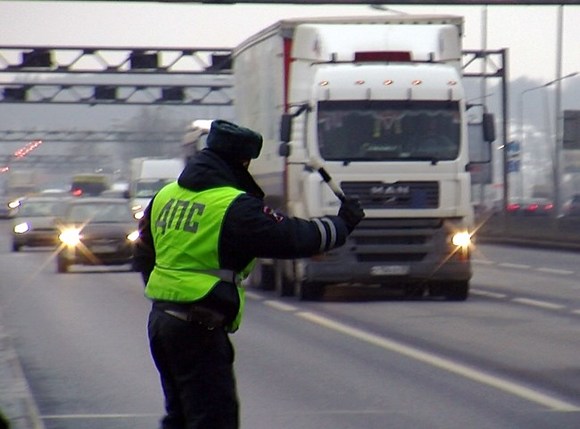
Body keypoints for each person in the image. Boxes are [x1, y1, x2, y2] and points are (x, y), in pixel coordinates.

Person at [133, 119, 365, 429]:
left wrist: (167, 292)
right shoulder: (232, 206)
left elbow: (143, 255)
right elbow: (292, 237)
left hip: (161, 321)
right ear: (242, 161)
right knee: (213, 419)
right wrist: (341, 225)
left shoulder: (165, 196)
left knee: (180, 416)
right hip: (198, 324)